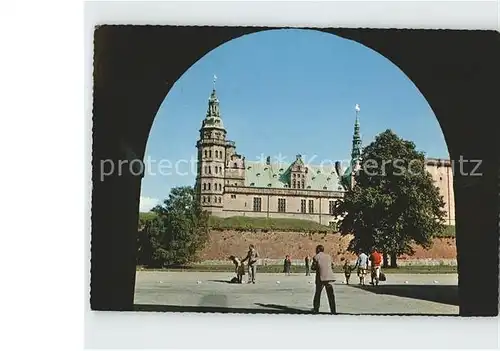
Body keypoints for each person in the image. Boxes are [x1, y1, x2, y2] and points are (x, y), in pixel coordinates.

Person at [311, 245, 337, 314]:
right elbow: (332, 266)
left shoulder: (316, 257)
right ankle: (333, 310)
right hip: (329, 277)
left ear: (318, 250)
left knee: (318, 294)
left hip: (321, 278)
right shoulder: (329, 256)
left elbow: (313, 267)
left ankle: (316, 309)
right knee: (331, 295)